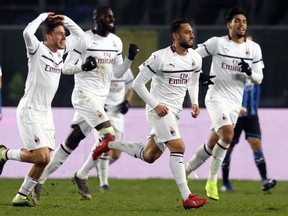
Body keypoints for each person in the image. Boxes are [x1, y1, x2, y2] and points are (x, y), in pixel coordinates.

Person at [92, 18, 208, 210]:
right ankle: (187, 197)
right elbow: (137, 84)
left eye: (192, 31)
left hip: (175, 113)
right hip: (159, 111)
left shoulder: (195, 57)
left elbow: (194, 80)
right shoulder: (159, 57)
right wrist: (155, 105)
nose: (192, 35)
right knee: (178, 147)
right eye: (187, 32)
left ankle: (108, 143)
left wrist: (195, 101)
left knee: (149, 156)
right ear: (175, 36)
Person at [31, 6, 138, 204]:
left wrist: (130, 59)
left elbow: (117, 74)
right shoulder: (83, 39)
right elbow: (65, 68)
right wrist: (83, 66)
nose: (112, 19)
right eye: (108, 16)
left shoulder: (116, 42)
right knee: (108, 137)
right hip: (83, 96)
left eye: (113, 16)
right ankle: (82, 174)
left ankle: (39, 180)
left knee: (70, 144)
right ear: (97, 18)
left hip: (99, 99)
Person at [0, 12, 83, 207]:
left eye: (64, 34)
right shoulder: (37, 49)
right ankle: (4, 154)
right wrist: (42, 16)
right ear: (47, 36)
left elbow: (79, 36)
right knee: (41, 156)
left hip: (46, 113)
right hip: (30, 109)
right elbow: (27, 32)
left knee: (44, 160)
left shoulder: (61, 52)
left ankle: (21, 196)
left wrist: (65, 19)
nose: (64, 37)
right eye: (59, 34)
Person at [185, 7, 264, 201]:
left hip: (234, 103)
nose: (241, 24)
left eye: (244, 21)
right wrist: (200, 73)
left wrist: (248, 73)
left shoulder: (253, 48)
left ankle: (184, 170)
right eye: (237, 21)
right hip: (215, 96)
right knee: (228, 136)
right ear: (229, 24)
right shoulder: (217, 43)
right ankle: (212, 180)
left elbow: (259, 78)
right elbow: (193, 56)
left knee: (213, 144)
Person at [221, 43, 276, 191]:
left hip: (252, 115)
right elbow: (224, 91)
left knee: (256, 144)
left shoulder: (256, 71)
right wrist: (234, 107)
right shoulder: (231, 70)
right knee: (228, 148)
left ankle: (265, 181)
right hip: (235, 115)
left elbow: (259, 79)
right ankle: (225, 183)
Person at [74, 69, 134, 196]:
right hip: (102, 112)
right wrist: (97, 103)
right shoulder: (102, 67)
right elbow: (93, 88)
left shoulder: (125, 69)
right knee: (105, 147)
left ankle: (98, 167)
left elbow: (130, 87)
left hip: (118, 114)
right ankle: (104, 183)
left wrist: (127, 102)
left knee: (116, 154)